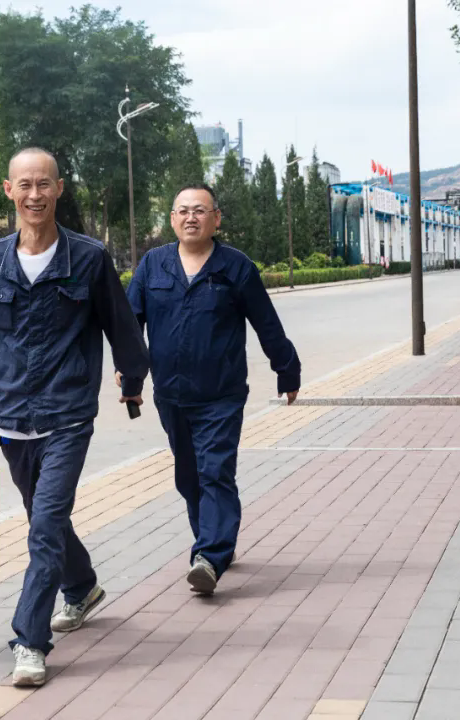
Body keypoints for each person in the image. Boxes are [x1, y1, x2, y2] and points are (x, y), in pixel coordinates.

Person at [0, 147, 150, 687]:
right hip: (10, 417)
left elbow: (121, 326)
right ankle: (82, 589)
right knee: (44, 521)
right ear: (8, 190)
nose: (34, 194)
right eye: (24, 185)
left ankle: (30, 642)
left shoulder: (89, 257)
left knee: (44, 529)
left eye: (44, 184)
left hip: (68, 415)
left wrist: (132, 379)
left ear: (59, 189)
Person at [122, 183, 301, 596]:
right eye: (182, 210)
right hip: (171, 395)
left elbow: (266, 323)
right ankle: (214, 540)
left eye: (199, 210)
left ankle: (210, 556)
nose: (190, 217)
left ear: (215, 218)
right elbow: (131, 328)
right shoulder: (153, 265)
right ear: (171, 219)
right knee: (189, 477)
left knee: (215, 470)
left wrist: (287, 370)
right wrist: (131, 382)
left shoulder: (235, 267)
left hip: (221, 395)